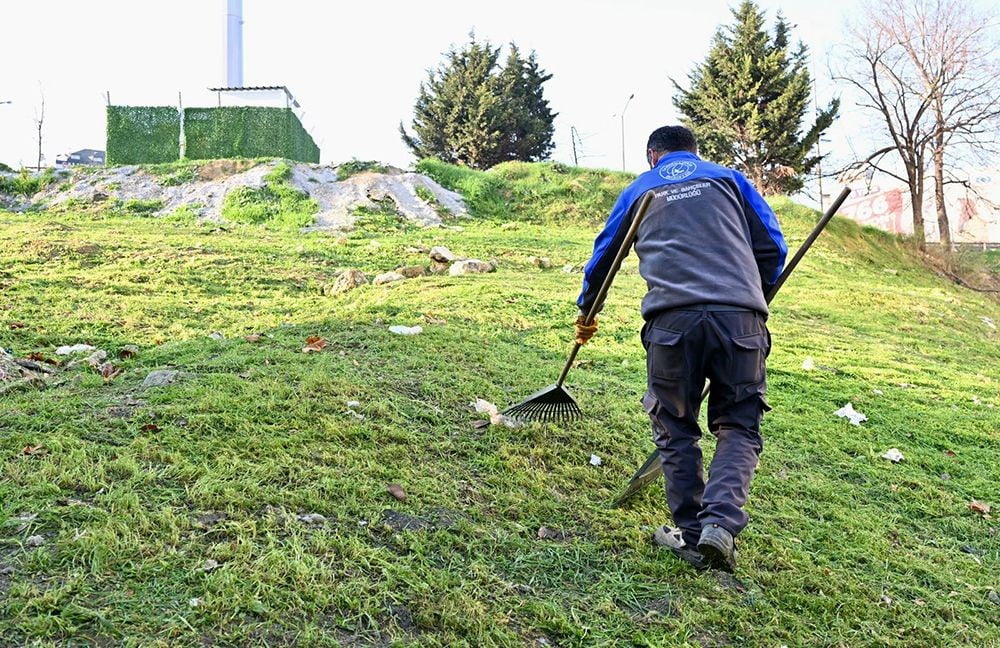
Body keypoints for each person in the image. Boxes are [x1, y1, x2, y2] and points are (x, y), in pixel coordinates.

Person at [574, 125, 787, 572]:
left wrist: (587, 313)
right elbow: (771, 244)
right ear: (694, 151)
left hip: (672, 324)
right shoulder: (728, 179)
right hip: (741, 321)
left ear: (653, 155)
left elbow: (604, 258)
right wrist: (756, 295)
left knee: (676, 429)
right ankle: (721, 527)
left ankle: (693, 535)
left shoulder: (641, 189)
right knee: (739, 425)